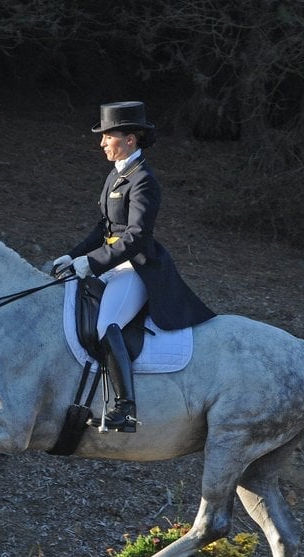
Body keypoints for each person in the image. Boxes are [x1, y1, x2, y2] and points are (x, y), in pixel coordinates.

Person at [53, 101, 215, 433]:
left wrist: (92, 262)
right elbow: (104, 229)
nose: (102, 143)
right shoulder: (117, 174)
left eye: (108, 136)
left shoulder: (143, 179)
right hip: (113, 263)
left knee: (106, 325)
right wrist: (74, 256)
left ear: (130, 139)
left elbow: (137, 236)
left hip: (135, 268)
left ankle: (125, 408)